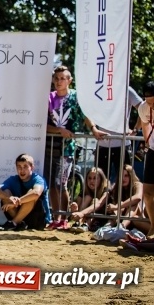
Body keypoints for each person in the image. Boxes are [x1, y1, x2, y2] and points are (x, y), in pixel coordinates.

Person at [45, 65, 95, 229]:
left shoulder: (76, 97)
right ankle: (56, 216)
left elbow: (86, 115)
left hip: (68, 149)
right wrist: (59, 130)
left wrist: (93, 129)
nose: (59, 82)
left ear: (69, 80)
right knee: (51, 184)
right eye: (56, 78)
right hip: (49, 146)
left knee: (61, 183)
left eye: (62, 78)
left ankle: (64, 218)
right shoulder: (48, 98)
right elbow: (42, 124)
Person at [92, 86, 142, 182]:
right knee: (100, 181)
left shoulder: (126, 89)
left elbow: (143, 108)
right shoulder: (100, 87)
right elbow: (88, 110)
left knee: (126, 181)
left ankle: (125, 197)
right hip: (103, 145)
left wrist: (136, 129)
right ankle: (103, 197)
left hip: (122, 145)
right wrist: (93, 128)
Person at [0, 154, 49, 231]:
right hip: (20, 219)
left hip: (37, 219)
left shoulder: (38, 179)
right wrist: (9, 198)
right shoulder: (13, 179)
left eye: (25, 166)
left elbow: (36, 193)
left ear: (32, 167)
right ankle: (19, 223)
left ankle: (14, 222)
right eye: (19, 167)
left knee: (31, 193)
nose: (22, 170)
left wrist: (16, 202)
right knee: (5, 192)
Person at [135, 81, 154, 239]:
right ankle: (153, 226)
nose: (151, 106)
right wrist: (148, 143)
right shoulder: (143, 107)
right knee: (147, 192)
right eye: (149, 102)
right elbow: (145, 125)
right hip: (153, 150)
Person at [69, 167, 109, 233]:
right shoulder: (85, 190)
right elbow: (78, 205)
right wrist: (75, 208)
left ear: (101, 180)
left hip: (102, 217)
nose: (91, 181)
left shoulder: (106, 189)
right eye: (89, 178)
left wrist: (81, 213)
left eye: (95, 178)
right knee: (88, 197)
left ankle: (87, 224)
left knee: (95, 200)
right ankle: (78, 223)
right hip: (85, 215)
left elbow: (99, 204)